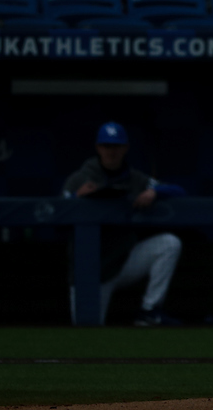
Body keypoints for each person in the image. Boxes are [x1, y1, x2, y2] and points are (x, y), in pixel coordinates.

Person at [61, 122, 183, 326]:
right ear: (98, 147)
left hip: (123, 262)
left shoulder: (136, 178)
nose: (112, 151)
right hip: (88, 270)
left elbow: (178, 191)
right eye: (107, 146)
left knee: (169, 243)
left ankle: (149, 310)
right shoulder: (80, 178)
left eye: (116, 146)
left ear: (125, 148)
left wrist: (155, 191)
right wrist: (76, 198)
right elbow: (57, 214)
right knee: (86, 332)